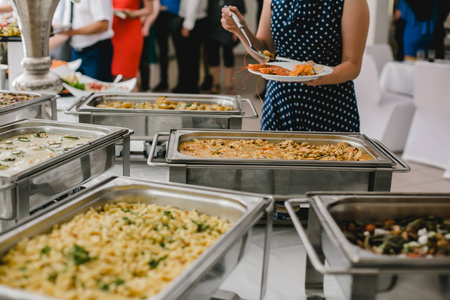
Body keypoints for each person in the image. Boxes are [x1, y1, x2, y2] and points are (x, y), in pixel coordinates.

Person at [221, 0, 369, 132]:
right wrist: (240, 30)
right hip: (280, 102)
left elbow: (352, 65)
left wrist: (313, 76)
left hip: (329, 106)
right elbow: (266, 54)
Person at [54, 0, 115, 82]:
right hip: (76, 50)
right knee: (78, 87)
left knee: (97, 89)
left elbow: (103, 25)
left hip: (96, 50)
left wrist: (72, 32)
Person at [204, 0, 246, 95]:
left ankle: (229, 86)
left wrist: (237, 30)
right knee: (213, 57)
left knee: (228, 56)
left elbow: (242, 11)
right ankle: (215, 84)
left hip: (228, 29)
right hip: (211, 27)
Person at [111, 0, 153, 87]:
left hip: (130, 30)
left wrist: (132, 14)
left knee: (127, 74)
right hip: (112, 31)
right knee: (113, 74)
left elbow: (149, 9)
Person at [172, 0, 208, 94]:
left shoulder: (188, 24)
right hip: (193, 21)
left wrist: (187, 25)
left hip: (191, 22)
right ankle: (186, 85)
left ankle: (188, 87)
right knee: (190, 57)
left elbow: (193, 4)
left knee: (189, 57)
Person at [153, 0, 180, 92]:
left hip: (175, 15)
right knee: (162, 51)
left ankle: (180, 82)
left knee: (179, 51)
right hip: (159, 16)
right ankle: (163, 81)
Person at [139, 0, 160, 92]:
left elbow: (155, 8)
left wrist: (147, 25)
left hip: (143, 27)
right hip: (127, 28)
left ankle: (145, 87)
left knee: (144, 57)